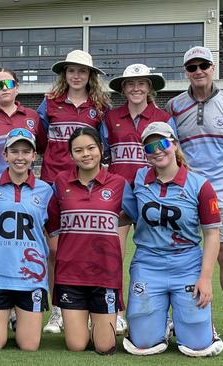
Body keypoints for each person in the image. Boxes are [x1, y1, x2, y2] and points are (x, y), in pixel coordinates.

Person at [165, 46, 223, 340]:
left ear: (213, 68)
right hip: (186, 192)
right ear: (185, 72)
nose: (198, 71)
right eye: (192, 67)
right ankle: (180, 317)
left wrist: (222, 174)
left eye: (203, 65)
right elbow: (171, 146)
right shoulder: (174, 106)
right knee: (182, 253)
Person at [122, 122, 223, 357]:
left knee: (198, 347)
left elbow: (212, 234)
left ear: (174, 145)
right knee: (144, 344)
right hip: (148, 264)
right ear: (145, 154)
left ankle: (200, 325)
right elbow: (124, 217)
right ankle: (161, 324)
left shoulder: (200, 185)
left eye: (163, 143)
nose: (157, 150)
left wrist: (205, 278)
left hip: (187, 264)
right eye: (150, 147)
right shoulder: (138, 180)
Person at [36, 49, 111, 335]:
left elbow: (101, 146)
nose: (76, 75)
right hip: (54, 183)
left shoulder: (99, 106)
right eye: (71, 70)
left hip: (86, 185)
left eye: (82, 71)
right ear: (64, 74)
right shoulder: (50, 103)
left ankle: (94, 308)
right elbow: (40, 141)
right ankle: (58, 309)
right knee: (55, 250)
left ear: (90, 75)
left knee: (88, 247)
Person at [102, 63, 175, 334]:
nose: (136, 88)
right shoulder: (110, 117)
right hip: (121, 196)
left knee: (158, 255)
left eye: (142, 83)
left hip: (153, 194)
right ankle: (117, 311)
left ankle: (164, 314)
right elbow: (103, 154)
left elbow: (171, 155)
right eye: (131, 84)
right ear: (123, 88)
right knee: (114, 256)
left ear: (150, 87)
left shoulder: (164, 117)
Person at [46, 127, 133, 354]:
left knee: (105, 346)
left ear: (101, 149)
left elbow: (134, 215)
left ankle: (99, 323)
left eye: (91, 148)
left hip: (105, 275)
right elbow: (52, 224)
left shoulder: (118, 183)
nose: (86, 154)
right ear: (71, 154)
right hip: (70, 275)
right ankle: (80, 323)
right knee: (76, 346)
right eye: (78, 150)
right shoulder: (60, 182)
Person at [0, 128, 52, 351]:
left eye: (26, 152)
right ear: (5, 155)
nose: (20, 157)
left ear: (34, 156)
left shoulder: (46, 190)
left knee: (29, 346)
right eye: (14, 151)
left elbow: (51, 231)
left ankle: (21, 319)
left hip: (31, 278)